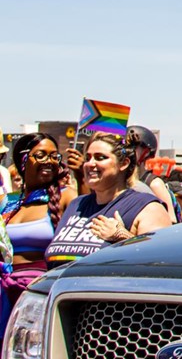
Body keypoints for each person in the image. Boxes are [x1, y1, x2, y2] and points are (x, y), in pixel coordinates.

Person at [45, 133, 170, 269]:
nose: (90, 164)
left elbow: (160, 262)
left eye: (100, 158)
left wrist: (122, 237)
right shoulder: (76, 205)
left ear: (124, 164)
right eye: (88, 158)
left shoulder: (148, 207)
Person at [0, 133, 76, 335]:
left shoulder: (65, 196)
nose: (49, 161)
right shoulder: (7, 203)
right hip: (4, 292)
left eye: (54, 156)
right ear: (22, 160)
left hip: (40, 292)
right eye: (41, 155)